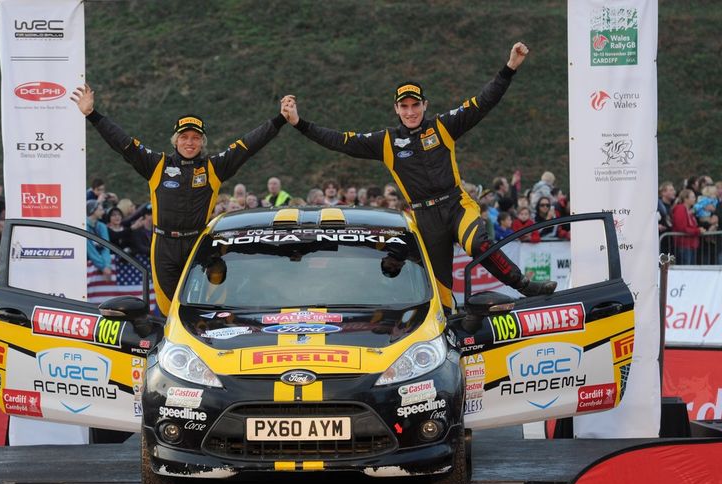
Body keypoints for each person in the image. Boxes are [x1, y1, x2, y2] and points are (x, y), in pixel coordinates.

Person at [280, 42, 555, 310]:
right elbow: (341, 141)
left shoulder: (443, 126)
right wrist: (299, 124)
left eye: (415, 105)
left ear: (425, 105)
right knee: (443, 299)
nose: (410, 112)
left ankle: (524, 286)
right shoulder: (385, 141)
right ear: (396, 109)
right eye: (404, 107)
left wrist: (510, 68)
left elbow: (482, 103)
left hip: (456, 205)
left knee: (478, 243)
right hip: (425, 220)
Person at [71, 83, 287, 314]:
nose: (190, 142)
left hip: (199, 244)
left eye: (196, 137)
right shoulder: (157, 165)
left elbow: (247, 146)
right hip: (164, 246)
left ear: (202, 142)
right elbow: (124, 143)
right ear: (175, 140)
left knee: (209, 309)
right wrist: (93, 115)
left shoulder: (213, 168)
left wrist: (280, 119)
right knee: (169, 312)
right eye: (184, 137)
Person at [671, 189, 704, 265]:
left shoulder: (688, 210)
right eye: (692, 197)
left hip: (690, 244)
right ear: (685, 199)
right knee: (686, 268)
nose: (694, 199)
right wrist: (698, 231)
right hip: (684, 245)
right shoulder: (680, 209)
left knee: (691, 269)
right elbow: (682, 228)